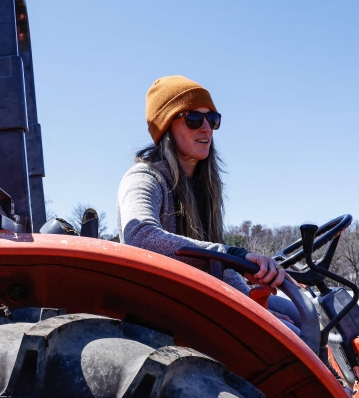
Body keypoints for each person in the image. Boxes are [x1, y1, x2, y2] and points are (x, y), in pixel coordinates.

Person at [116, 75, 305, 338]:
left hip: (201, 297)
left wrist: (250, 291)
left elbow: (216, 269)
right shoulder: (144, 178)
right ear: (166, 126)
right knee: (290, 334)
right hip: (166, 306)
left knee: (305, 312)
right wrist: (235, 256)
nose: (206, 128)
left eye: (212, 119)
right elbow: (140, 237)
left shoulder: (204, 189)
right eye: (194, 119)